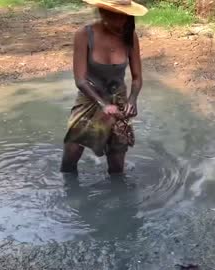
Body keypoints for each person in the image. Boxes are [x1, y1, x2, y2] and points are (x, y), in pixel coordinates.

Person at [61, 0, 148, 174]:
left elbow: (137, 78)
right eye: (115, 16)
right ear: (102, 13)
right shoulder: (84, 35)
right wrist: (104, 105)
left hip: (119, 101)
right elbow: (81, 80)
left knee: (117, 164)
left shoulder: (130, 36)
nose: (120, 22)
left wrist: (132, 99)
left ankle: (120, 198)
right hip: (89, 99)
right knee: (71, 157)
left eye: (124, 16)